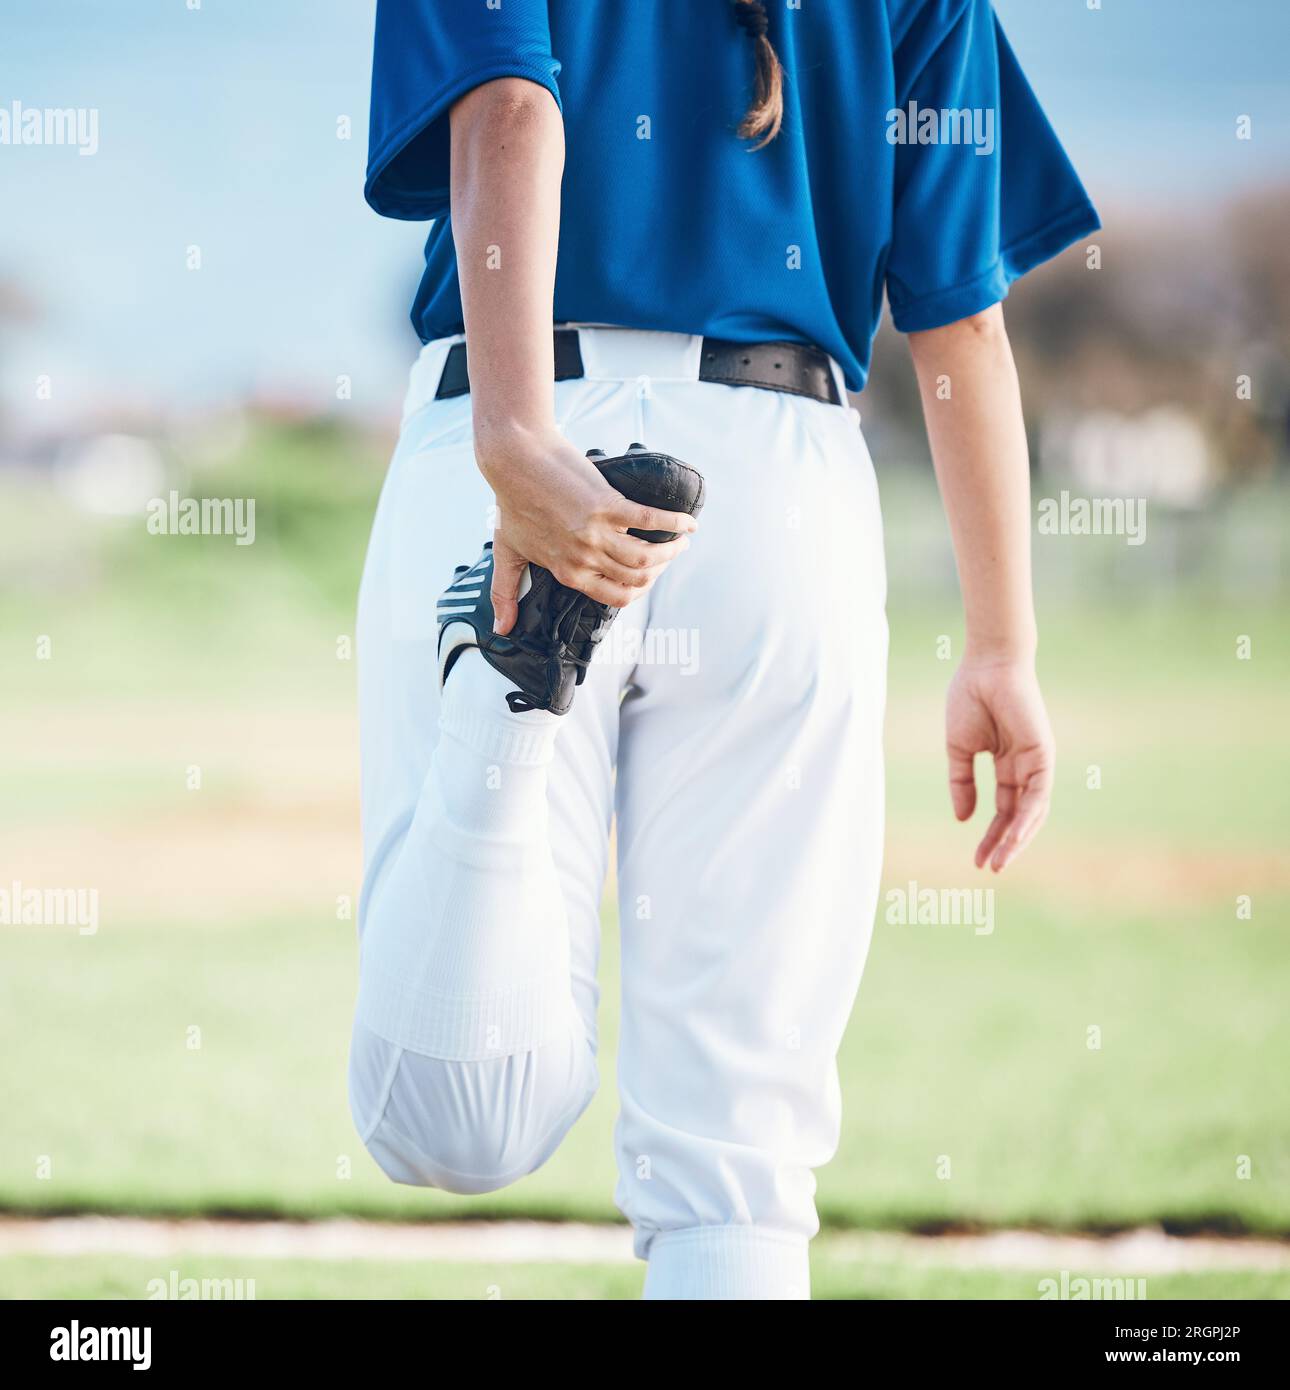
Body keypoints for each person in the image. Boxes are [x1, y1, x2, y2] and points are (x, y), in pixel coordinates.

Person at [347, 0, 1099, 1300]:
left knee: (448, 1127)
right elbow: (957, 318)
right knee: (737, 1176)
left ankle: (504, 692)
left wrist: (522, 449)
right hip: (776, 473)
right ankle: (511, 681)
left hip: (514, 426)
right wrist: (998, 644)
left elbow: (511, 113)